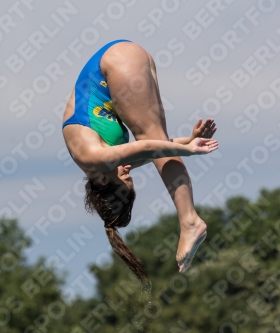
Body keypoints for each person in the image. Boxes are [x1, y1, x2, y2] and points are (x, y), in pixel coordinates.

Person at [62, 39, 218, 283]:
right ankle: (189, 219)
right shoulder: (109, 165)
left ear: (103, 180)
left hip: (112, 64)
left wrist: (187, 151)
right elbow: (157, 149)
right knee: (156, 138)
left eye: (126, 177)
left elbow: (148, 144)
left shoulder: (92, 157)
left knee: (150, 135)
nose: (127, 170)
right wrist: (188, 141)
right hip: (125, 62)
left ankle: (189, 220)